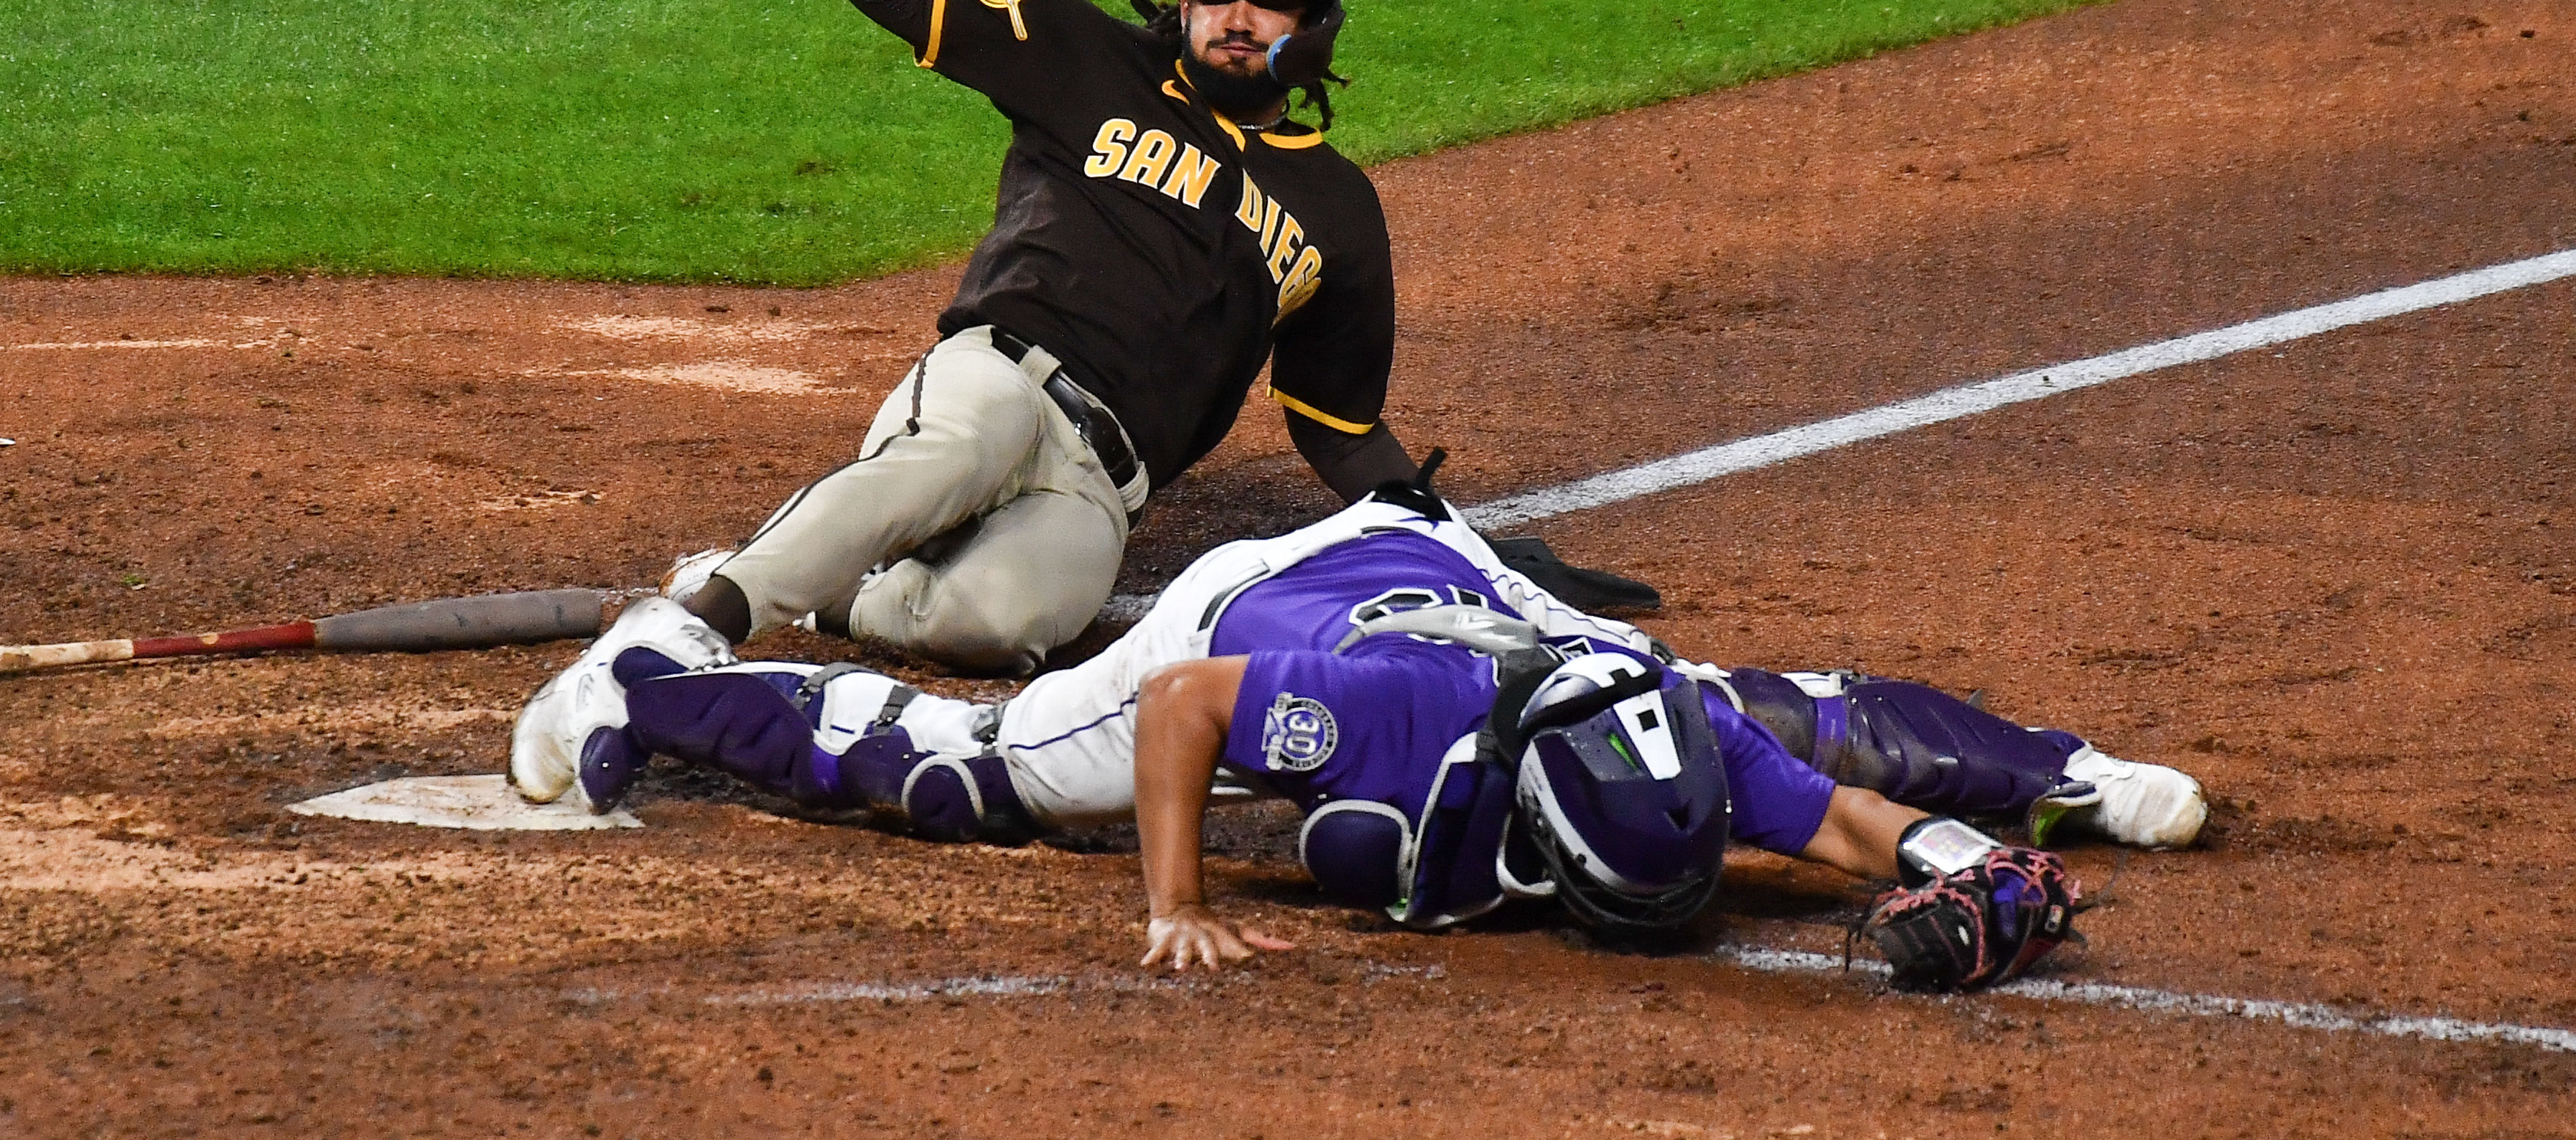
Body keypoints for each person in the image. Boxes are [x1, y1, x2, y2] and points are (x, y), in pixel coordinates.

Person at [513, 488, 2206, 986]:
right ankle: (652, 667)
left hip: (1463, 571)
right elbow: (1184, 709)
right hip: (1262, 606)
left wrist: (1982, 868)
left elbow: (1845, 824)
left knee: (1799, 717)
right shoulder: (1379, 714)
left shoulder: (1667, 724)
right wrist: (1169, 893)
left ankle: (2067, 772)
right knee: (994, 774)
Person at [661, 0, 1417, 676]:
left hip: (1102, 479)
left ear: (1319, 25)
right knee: (952, 453)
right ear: (1184, 2)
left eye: (1271, 2)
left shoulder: (1337, 206)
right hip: (999, 379)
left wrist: (1449, 542)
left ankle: (840, 600)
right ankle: (701, 617)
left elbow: (1338, 425)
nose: (1238, 16)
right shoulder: (1080, 55)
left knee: (991, 625)